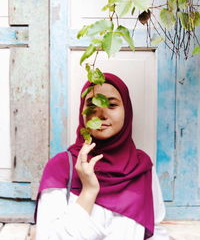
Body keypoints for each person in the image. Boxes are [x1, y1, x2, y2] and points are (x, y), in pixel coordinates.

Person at [35, 73, 169, 240]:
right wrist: (89, 191)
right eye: (92, 107)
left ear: (126, 110)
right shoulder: (60, 167)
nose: (102, 115)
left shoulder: (141, 167)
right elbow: (48, 237)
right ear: (82, 113)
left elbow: (155, 232)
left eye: (112, 105)